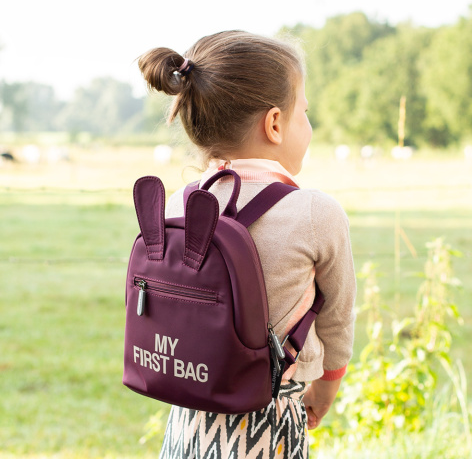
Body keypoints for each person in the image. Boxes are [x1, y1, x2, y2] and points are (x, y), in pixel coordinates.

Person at [137, 30, 356, 459]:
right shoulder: (315, 212)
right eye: (304, 114)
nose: (308, 127)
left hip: (188, 411)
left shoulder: (180, 205)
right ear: (275, 123)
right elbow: (337, 321)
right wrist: (327, 389)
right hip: (269, 418)